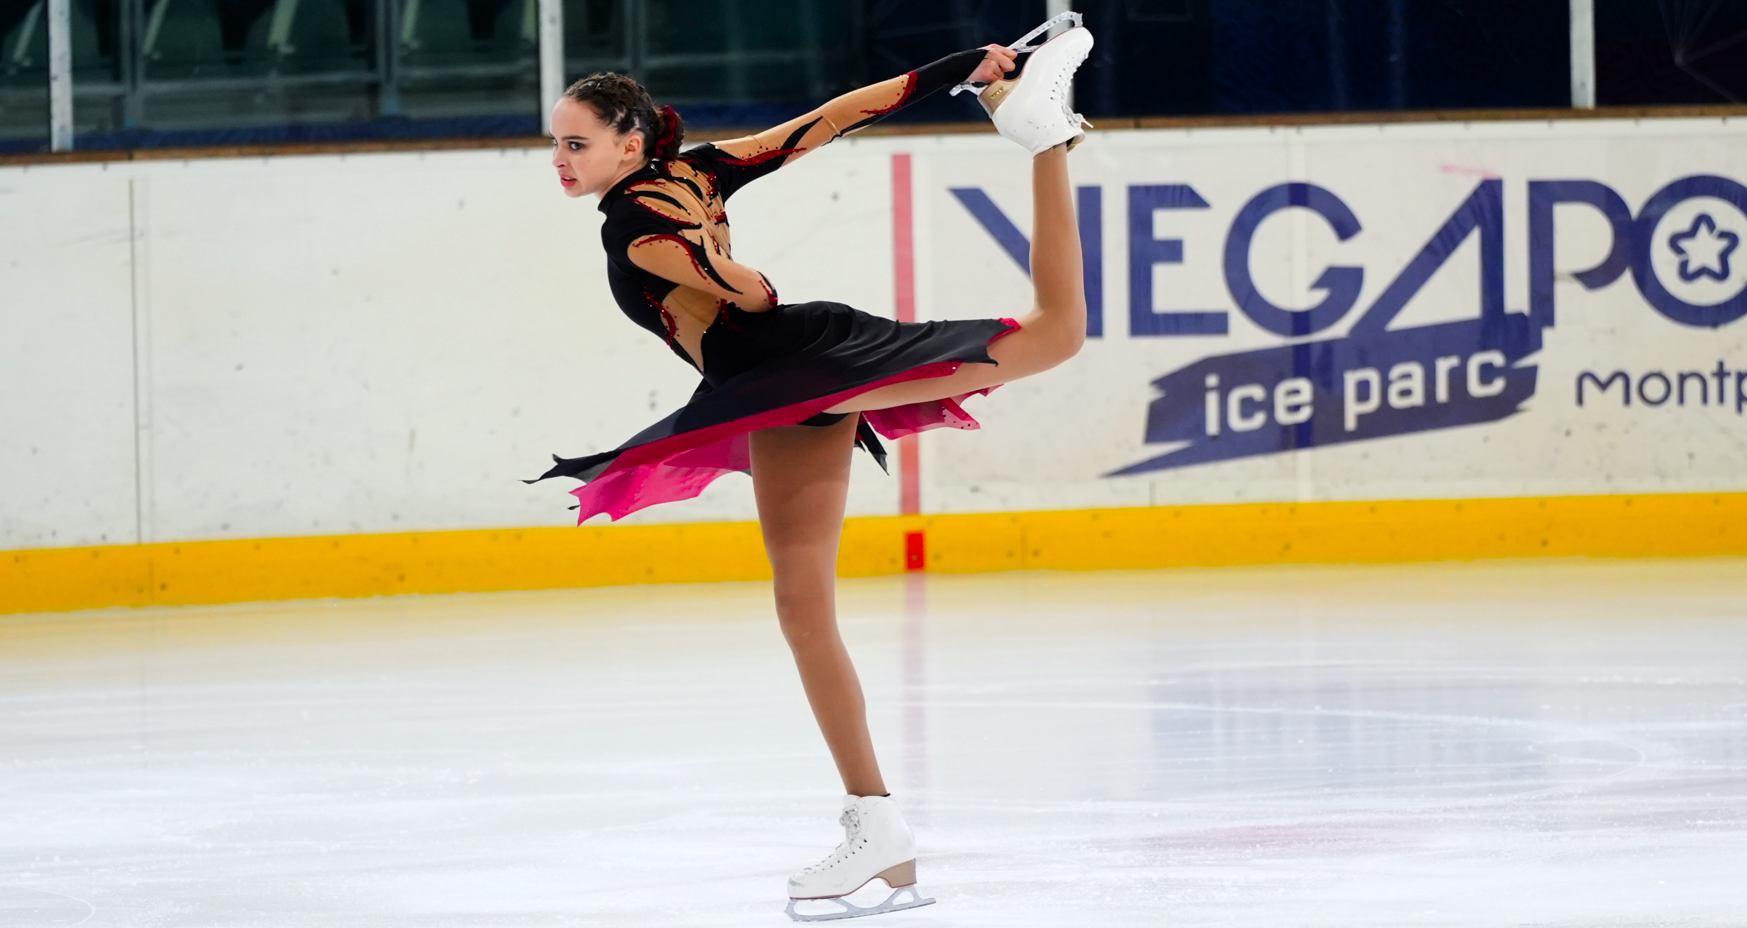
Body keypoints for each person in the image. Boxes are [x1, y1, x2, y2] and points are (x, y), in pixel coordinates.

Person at [530, 14, 1094, 921]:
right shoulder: (694, 173)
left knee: (1057, 332)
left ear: (627, 142)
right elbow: (826, 122)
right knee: (801, 605)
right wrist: (951, 64)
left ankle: (1046, 137)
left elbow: (749, 291)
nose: (558, 159)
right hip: (778, 387)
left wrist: (715, 266)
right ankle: (878, 832)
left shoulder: (635, 221)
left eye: (574, 143)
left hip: (803, 368)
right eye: (554, 144)